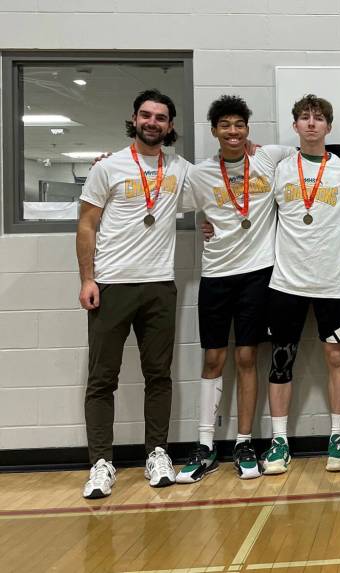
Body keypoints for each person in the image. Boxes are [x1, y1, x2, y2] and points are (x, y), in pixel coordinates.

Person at [77, 89, 191, 498]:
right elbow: (87, 225)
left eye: (160, 117)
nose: (152, 122)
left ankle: (157, 453)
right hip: (111, 285)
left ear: (170, 125)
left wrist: (253, 150)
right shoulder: (108, 167)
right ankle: (100, 463)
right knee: (102, 378)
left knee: (159, 375)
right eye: (146, 115)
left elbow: (218, 184)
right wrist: (87, 279)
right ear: (134, 119)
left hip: (159, 285)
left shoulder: (180, 168)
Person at [176, 95, 293, 482]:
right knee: (213, 358)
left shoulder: (267, 158)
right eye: (225, 125)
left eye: (239, 125)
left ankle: (244, 442)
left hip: (258, 274)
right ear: (214, 131)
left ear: (248, 130)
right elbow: (174, 205)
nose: (232, 131)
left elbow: (312, 151)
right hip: (216, 274)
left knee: (246, 357)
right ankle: (205, 445)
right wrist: (202, 224)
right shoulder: (200, 174)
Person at [259, 95, 340, 475]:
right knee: (281, 361)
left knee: (337, 359)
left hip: (332, 284)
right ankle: (279, 441)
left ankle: (337, 437)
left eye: (319, 118)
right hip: (286, 283)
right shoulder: (279, 168)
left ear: (329, 126)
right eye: (305, 117)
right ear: (295, 125)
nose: (312, 123)